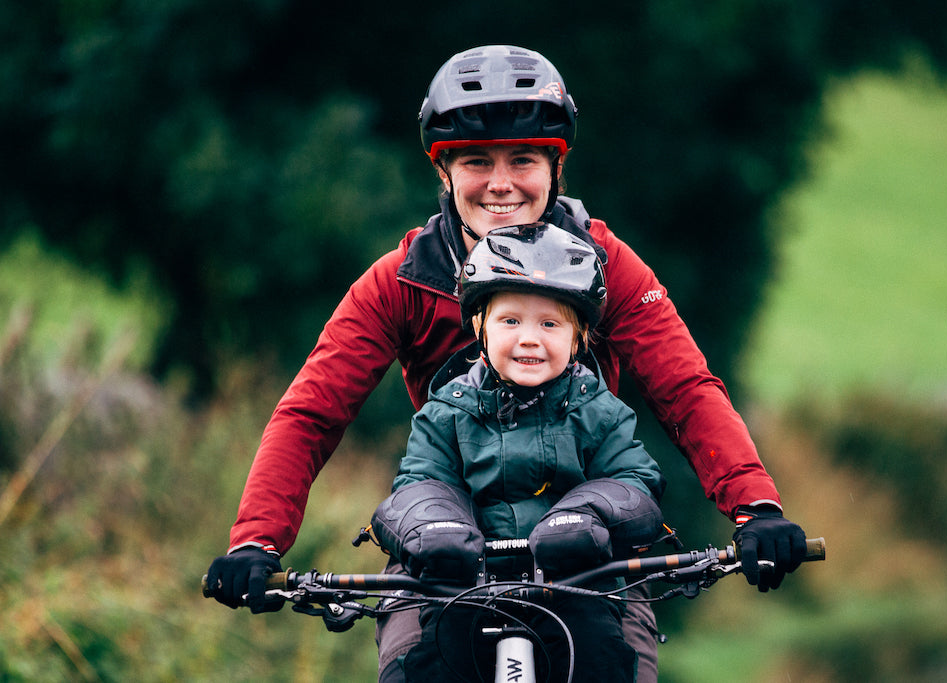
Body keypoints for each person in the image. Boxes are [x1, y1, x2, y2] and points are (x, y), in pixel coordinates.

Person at [205, 44, 808, 683]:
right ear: (443, 171)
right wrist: (256, 540)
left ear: (555, 164)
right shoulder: (399, 281)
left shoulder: (608, 267)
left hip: (589, 551)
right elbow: (312, 412)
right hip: (441, 549)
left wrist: (755, 508)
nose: (501, 183)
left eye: (523, 158)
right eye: (475, 161)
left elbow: (686, 390)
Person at [370, 222, 666, 682]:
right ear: (479, 327)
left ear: (579, 338)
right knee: (421, 665)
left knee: (608, 663)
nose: (529, 338)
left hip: (579, 587)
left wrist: (587, 517)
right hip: (461, 589)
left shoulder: (601, 413)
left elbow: (633, 482)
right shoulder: (445, 411)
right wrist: (433, 524)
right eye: (511, 321)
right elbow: (419, 482)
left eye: (549, 324)